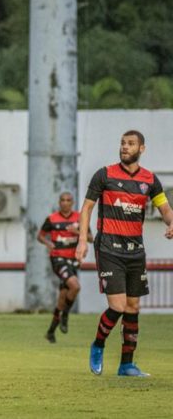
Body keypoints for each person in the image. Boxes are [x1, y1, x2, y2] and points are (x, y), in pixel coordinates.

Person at [76, 130, 173, 377]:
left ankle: (126, 364)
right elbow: (87, 208)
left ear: (142, 149)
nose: (124, 147)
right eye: (122, 143)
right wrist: (81, 241)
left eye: (130, 144)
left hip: (135, 250)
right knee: (118, 305)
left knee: (133, 306)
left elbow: (165, 209)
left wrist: (171, 223)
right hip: (109, 247)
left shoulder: (150, 180)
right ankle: (98, 345)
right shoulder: (105, 175)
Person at [37, 192, 91, 343]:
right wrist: (48, 243)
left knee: (63, 297)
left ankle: (50, 332)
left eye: (68, 200)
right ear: (59, 202)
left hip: (73, 260)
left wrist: (78, 232)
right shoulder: (52, 219)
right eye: (63, 200)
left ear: (72, 202)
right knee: (75, 286)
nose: (65, 202)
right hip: (58, 259)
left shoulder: (80, 218)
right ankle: (66, 316)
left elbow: (91, 238)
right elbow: (40, 236)